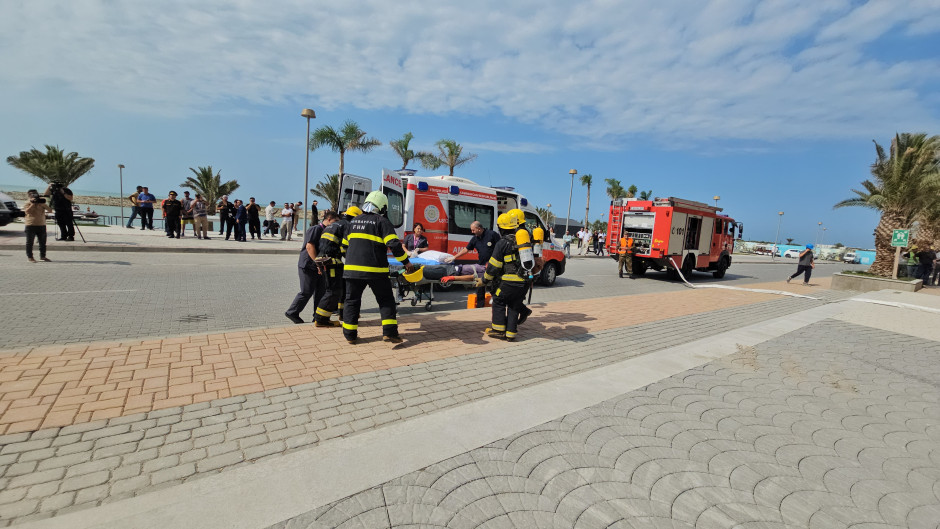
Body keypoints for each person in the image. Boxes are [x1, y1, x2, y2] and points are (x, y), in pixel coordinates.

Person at [342, 191, 414, 345]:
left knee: (351, 301)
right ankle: (389, 333)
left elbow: (344, 246)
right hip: (376, 270)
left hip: (352, 270)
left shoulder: (353, 221)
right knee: (386, 300)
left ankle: (350, 336)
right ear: (383, 207)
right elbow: (394, 245)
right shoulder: (382, 221)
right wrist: (406, 263)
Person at [481, 213, 531, 342]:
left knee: (498, 300)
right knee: (514, 304)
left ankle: (498, 330)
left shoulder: (502, 243)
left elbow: (494, 266)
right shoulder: (522, 240)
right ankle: (510, 334)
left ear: (501, 228)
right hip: (524, 281)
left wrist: (485, 279)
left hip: (509, 281)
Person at [285, 211, 336, 324]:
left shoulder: (327, 231)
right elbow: (309, 247)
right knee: (306, 291)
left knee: (320, 293)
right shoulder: (316, 229)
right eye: (335, 221)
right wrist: (318, 263)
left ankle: (318, 317)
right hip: (308, 266)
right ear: (328, 219)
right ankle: (292, 312)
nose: (336, 224)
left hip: (320, 266)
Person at [448, 220, 501, 308]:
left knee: (494, 284)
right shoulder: (475, 238)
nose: (472, 232)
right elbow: (466, 249)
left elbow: (500, 248)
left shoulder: (492, 234)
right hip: (481, 266)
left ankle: (496, 301)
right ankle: (480, 307)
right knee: (480, 285)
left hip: (493, 265)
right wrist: (454, 257)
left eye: (473, 230)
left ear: (479, 228)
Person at [313, 210, 350, 327]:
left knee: (340, 289)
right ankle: (321, 319)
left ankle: (342, 314)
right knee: (333, 291)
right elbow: (345, 247)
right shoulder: (346, 226)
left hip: (327, 260)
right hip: (332, 262)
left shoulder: (332, 226)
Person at [23, 189, 52, 262]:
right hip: (30, 225)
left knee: (42, 242)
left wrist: (43, 204)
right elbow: (27, 211)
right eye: (31, 194)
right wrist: (33, 204)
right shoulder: (27, 202)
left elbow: (50, 210)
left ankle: (43, 256)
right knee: (29, 242)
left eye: (35, 194)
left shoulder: (41, 202)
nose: (33, 195)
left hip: (41, 224)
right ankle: (30, 257)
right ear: (29, 195)